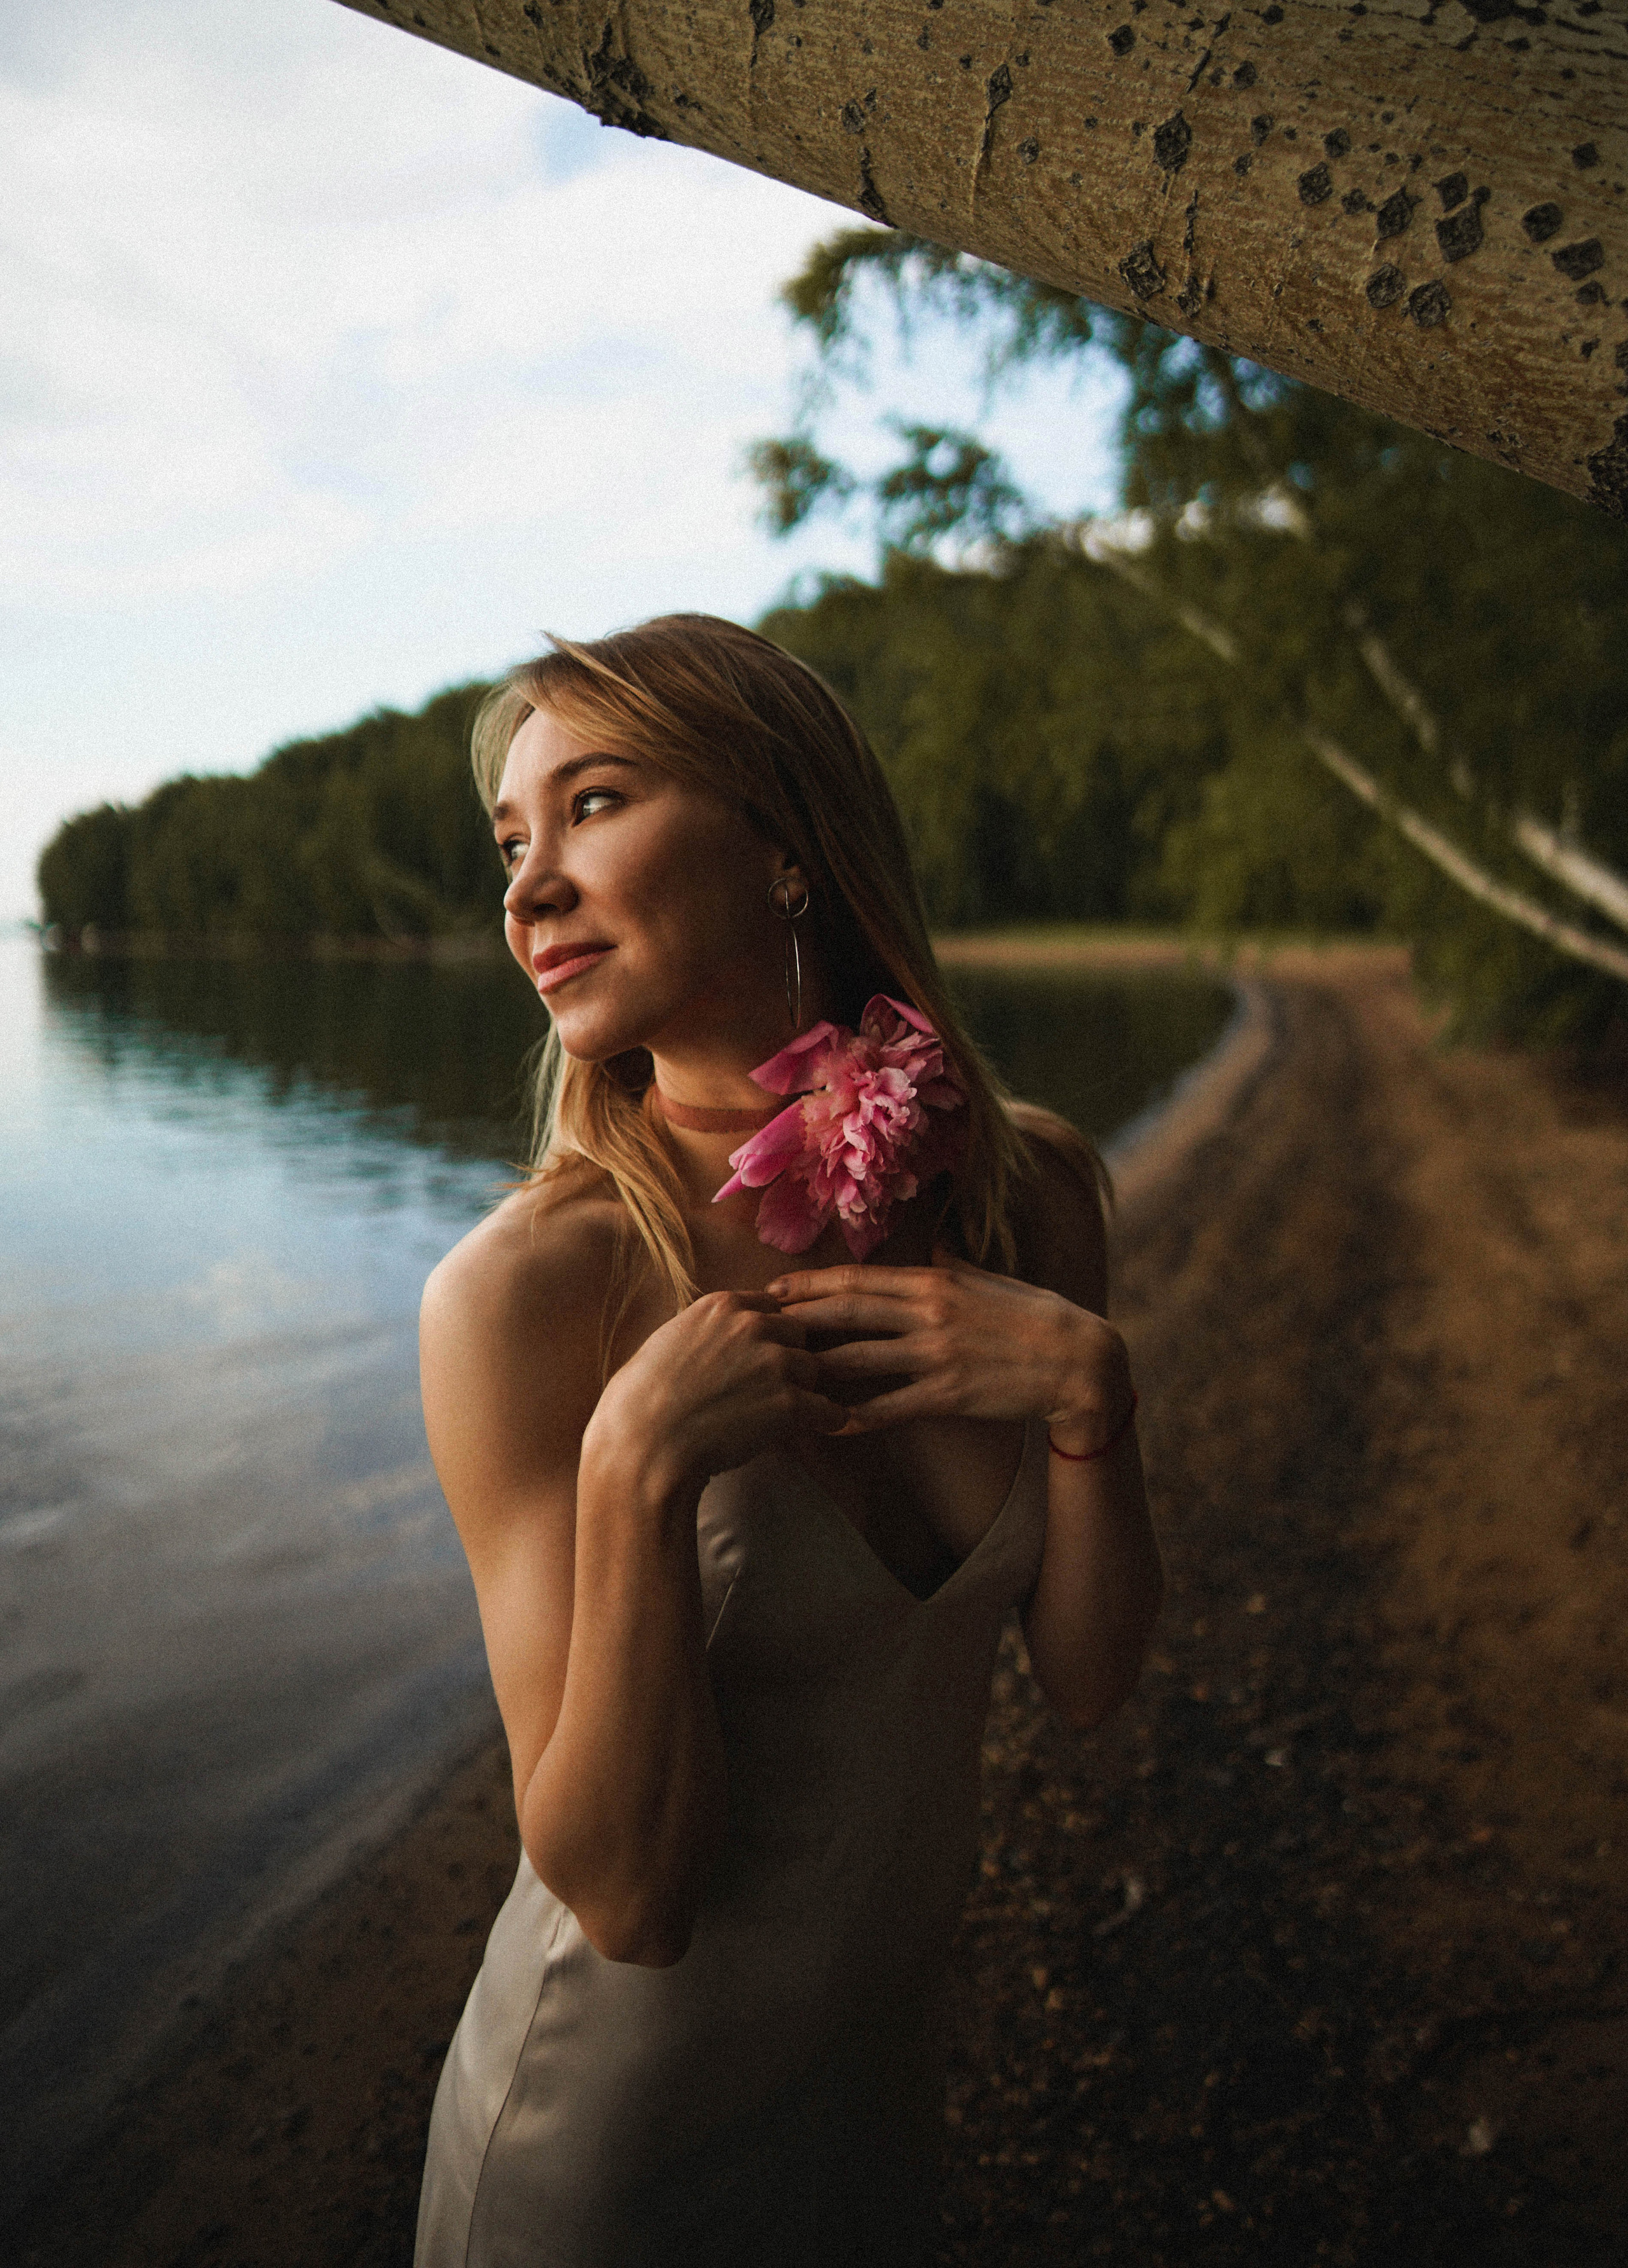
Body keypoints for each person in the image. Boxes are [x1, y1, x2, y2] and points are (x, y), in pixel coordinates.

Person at [413, 615, 1162, 2268]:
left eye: (593, 804)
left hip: (877, 2101)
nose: (529, 887)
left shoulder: (1026, 1196)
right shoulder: (523, 1299)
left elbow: (1092, 1683)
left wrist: (1096, 1410)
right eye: (512, 842)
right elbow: (626, 1899)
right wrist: (633, 1476)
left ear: (787, 846)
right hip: (603, 2153)